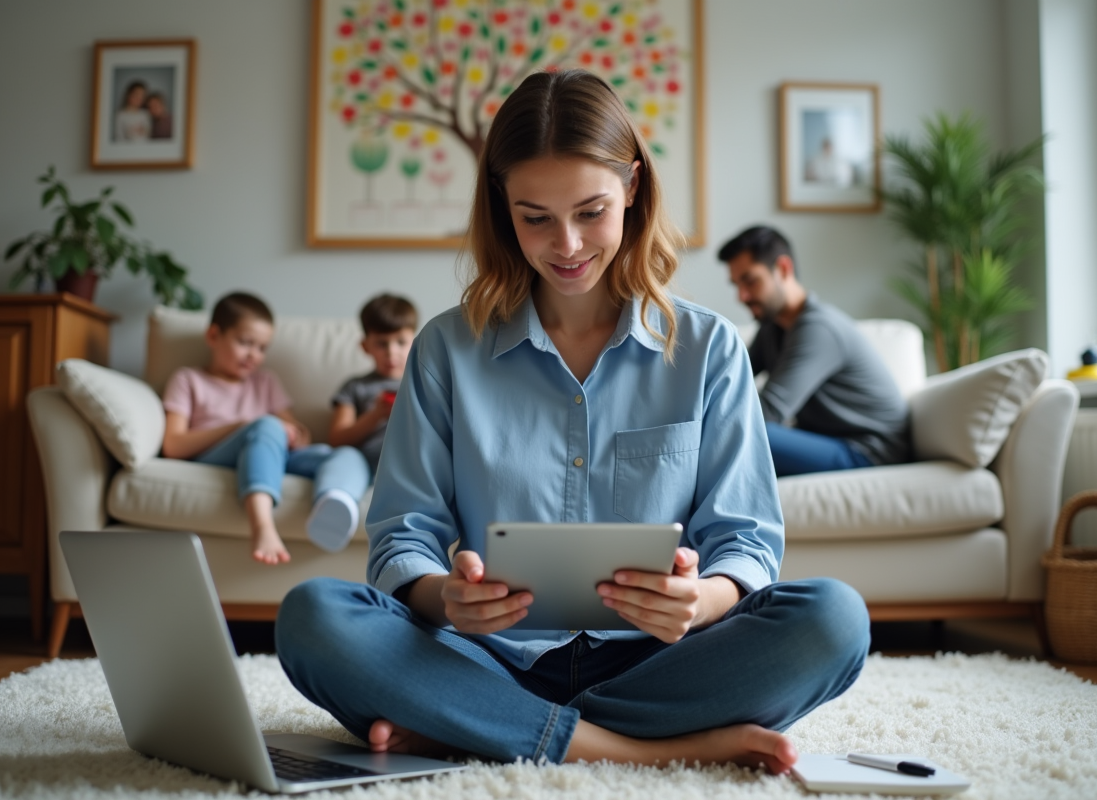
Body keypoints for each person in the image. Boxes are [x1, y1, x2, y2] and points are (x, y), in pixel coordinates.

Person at [275, 70, 869, 772]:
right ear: (502, 207)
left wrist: (700, 601)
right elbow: (404, 534)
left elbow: (744, 540)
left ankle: (477, 726)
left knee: (834, 620)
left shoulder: (709, 348)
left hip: (660, 661)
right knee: (314, 617)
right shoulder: (445, 348)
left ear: (633, 187)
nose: (566, 244)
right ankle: (644, 750)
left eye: (591, 212)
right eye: (536, 218)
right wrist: (448, 599)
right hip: (488, 657)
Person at [161, 292, 358, 565]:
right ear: (214, 336)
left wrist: (297, 435)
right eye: (245, 343)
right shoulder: (189, 379)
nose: (254, 355)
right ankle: (263, 526)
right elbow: (173, 445)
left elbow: (294, 428)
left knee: (348, 453)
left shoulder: (265, 382)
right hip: (220, 455)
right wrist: (239, 427)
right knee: (266, 425)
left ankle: (334, 500)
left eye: (262, 348)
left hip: (270, 452)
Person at [717, 225, 909, 476]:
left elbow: (769, 410)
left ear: (783, 269)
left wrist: (706, 426)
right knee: (732, 431)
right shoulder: (772, 327)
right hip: (829, 440)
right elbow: (731, 378)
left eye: (750, 281)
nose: (741, 296)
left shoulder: (818, 329)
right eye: (736, 285)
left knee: (745, 433)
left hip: (870, 450)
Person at [309, 294, 418, 551]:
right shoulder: (355, 387)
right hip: (364, 461)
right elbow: (337, 438)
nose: (391, 352)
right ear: (365, 346)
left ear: (414, 341)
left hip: (407, 460)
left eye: (400, 342)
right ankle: (337, 501)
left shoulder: (422, 381)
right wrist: (375, 415)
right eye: (382, 343)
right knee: (344, 457)